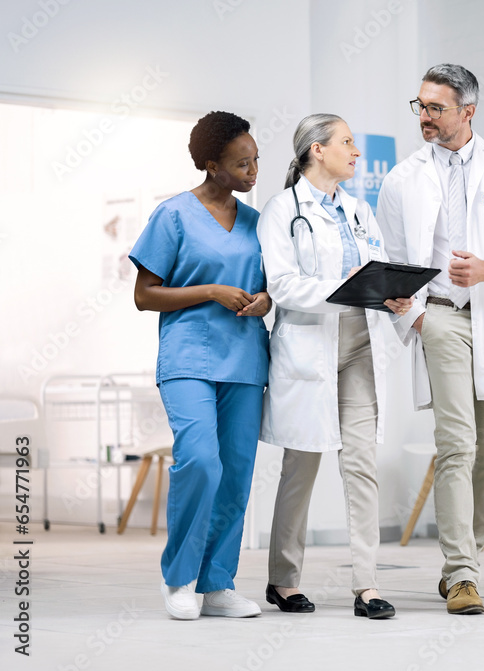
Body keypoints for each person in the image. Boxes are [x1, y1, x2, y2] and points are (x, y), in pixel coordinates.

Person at [378, 64, 484, 615]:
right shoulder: (401, 179)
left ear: (467, 111)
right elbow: (390, 259)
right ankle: (461, 575)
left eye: (436, 108)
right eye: (420, 106)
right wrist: (416, 316)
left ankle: (467, 556)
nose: (424, 117)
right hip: (441, 317)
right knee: (458, 443)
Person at [257, 114, 412, 620]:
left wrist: (392, 293)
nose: (356, 151)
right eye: (347, 142)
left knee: (361, 464)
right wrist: (342, 291)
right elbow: (282, 284)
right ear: (317, 150)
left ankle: (367, 586)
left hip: (359, 344)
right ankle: (283, 580)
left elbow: (377, 265)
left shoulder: (358, 209)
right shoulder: (282, 210)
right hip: (309, 345)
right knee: (301, 467)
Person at [129, 111, 270, 620]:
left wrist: (265, 302)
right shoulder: (173, 215)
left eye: (256, 160)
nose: (254, 171)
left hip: (246, 360)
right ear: (212, 166)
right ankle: (180, 578)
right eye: (242, 163)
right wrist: (210, 291)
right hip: (189, 357)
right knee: (201, 462)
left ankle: (218, 584)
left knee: (235, 473)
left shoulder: (259, 223)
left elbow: (275, 286)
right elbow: (145, 295)